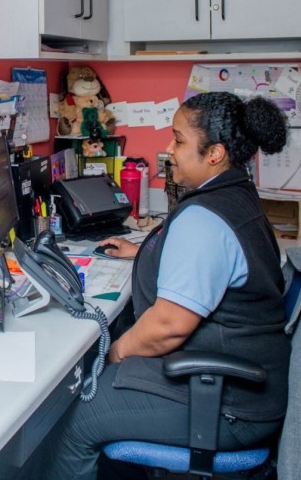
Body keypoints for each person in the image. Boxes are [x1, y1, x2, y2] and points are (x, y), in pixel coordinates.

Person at [39, 92, 291, 479]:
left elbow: (168, 327)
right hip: (246, 385)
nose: (168, 148)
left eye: (178, 139)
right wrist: (142, 254)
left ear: (214, 154)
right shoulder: (235, 195)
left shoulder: (205, 219)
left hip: (228, 405)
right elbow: (203, 261)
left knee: (76, 415)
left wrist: (116, 352)